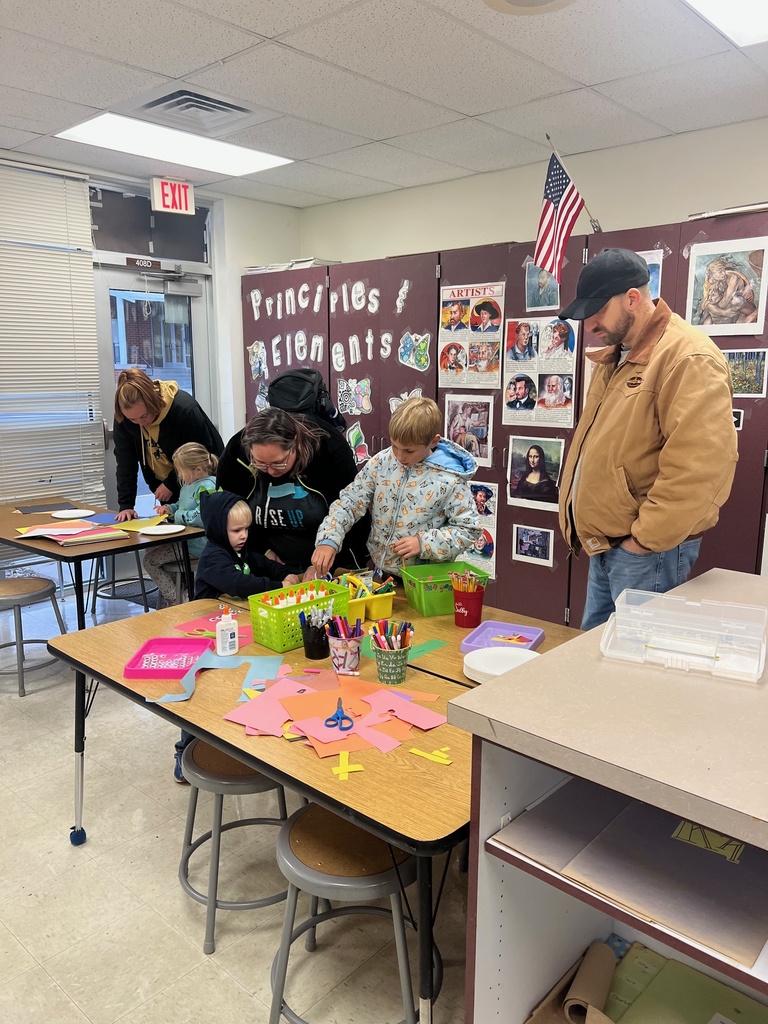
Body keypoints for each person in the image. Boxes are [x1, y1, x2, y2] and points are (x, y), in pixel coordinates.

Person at [557, 248, 738, 630]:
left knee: (635, 673)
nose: (589, 325)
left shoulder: (688, 357)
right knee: (596, 663)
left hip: (646, 552)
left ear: (632, 299)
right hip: (607, 546)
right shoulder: (618, 355)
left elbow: (700, 468)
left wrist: (642, 542)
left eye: (597, 311)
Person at [172, 490, 302, 782]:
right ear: (220, 529)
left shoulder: (239, 551)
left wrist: (287, 572)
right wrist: (275, 583)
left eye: (246, 529)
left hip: (232, 634)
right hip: (203, 637)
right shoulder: (213, 556)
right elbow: (238, 582)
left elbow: (258, 562)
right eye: (236, 530)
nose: (243, 535)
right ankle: (183, 751)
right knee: (199, 693)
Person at [311, 397, 481, 578]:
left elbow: (469, 529)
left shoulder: (450, 480)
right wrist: (328, 539)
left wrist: (424, 543)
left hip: (424, 579)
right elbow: (350, 501)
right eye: (394, 446)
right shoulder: (382, 462)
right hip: (381, 572)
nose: (399, 456)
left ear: (433, 442)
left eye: (408, 451)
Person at [216, 407, 369, 574]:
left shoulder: (329, 449)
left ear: (295, 443)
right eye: (260, 463)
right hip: (268, 565)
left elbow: (351, 512)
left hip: (329, 562)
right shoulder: (236, 453)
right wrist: (260, 551)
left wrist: (324, 565)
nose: (271, 472)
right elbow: (225, 512)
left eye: (278, 463)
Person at [113, 368, 224, 522]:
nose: (140, 423)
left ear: (153, 401)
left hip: (199, 483)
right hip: (168, 488)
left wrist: (171, 484)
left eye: (143, 416)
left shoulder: (184, 409)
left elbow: (202, 454)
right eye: (133, 419)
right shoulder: (125, 418)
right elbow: (126, 462)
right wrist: (126, 505)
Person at [143, 442, 217, 606]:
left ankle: (176, 599)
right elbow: (181, 505)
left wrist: (177, 514)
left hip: (199, 544)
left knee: (149, 561)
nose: (180, 476)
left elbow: (201, 515)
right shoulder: (188, 486)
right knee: (150, 550)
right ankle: (178, 591)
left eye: (182, 471)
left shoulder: (208, 486)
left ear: (198, 469)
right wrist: (168, 508)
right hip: (186, 541)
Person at [698, 257, 758, 325]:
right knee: (706, 319)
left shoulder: (732, 278)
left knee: (736, 301)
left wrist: (747, 285)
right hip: (725, 306)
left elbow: (723, 304)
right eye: (720, 272)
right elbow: (704, 304)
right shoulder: (710, 281)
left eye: (723, 270)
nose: (724, 273)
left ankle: (756, 313)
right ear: (712, 275)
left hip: (741, 306)